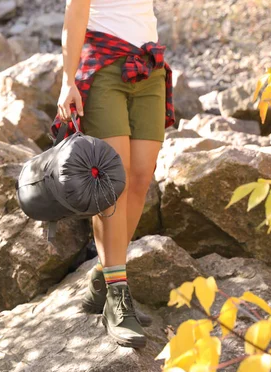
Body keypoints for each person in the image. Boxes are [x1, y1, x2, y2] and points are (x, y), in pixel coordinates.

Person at [53, 0, 174, 349]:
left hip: (149, 67)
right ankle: (117, 297)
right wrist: (67, 80)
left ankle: (103, 277)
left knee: (139, 177)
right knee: (111, 182)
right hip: (104, 63)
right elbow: (75, 14)